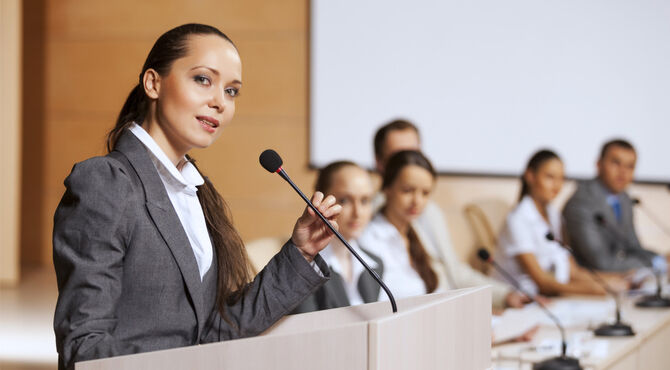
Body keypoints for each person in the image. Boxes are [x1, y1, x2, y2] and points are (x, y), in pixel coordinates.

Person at [52, 24, 341, 369]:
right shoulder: (107, 182)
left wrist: (301, 252)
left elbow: (213, 333)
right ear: (153, 83)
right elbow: (85, 348)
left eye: (232, 91)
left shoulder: (195, 193)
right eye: (203, 79)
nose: (220, 101)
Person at [372, 120, 526, 308]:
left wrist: (505, 295)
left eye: (415, 153)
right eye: (399, 156)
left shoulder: (430, 211)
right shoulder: (369, 221)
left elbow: (454, 272)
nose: (409, 162)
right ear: (380, 164)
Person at [494, 150, 628, 297]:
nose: (557, 185)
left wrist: (620, 278)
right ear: (530, 176)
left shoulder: (553, 214)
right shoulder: (518, 220)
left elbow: (573, 271)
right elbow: (542, 282)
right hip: (522, 302)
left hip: (550, 297)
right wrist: (598, 289)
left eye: (561, 178)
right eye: (550, 177)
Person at [563, 139, 666, 272]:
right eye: (616, 163)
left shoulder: (624, 199)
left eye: (630, 166)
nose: (623, 172)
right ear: (599, 164)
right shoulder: (581, 202)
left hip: (622, 277)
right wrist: (655, 263)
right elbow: (601, 262)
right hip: (593, 282)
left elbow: (633, 247)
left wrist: (660, 258)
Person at [293, 162, 384, 313]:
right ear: (321, 200)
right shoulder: (305, 268)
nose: (358, 213)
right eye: (345, 200)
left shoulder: (375, 264)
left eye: (365, 201)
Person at [361, 150, 446, 298]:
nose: (417, 201)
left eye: (425, 193)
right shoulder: (368, 238)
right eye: (407, 191)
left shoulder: (420, 233)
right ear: (387, 189)